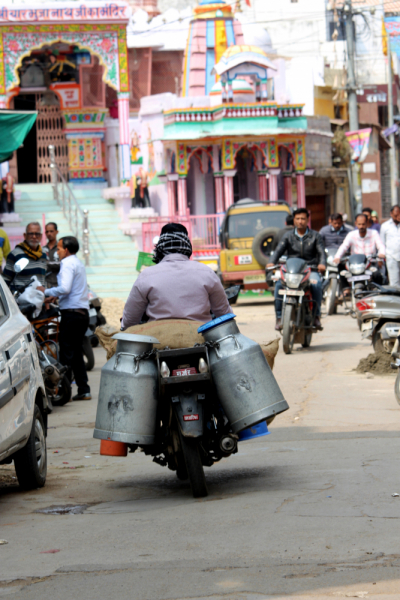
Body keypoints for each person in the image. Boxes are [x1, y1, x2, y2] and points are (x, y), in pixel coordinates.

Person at [121, 223, 231, 329]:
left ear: (160, 247)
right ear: (187, 245)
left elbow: (130, 319)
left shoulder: (146, 275)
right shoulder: (206, 272)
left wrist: (125, 328)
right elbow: (224, 313)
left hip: (159, 341)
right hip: (202, 339)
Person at [38, 236, 91, 401]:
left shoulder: (67, 263)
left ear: (66, 250)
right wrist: (55, 297)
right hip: (81, 313)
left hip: (72, 314)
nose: (57, 252)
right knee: (75, 353)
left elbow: (65, 288)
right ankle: (83, 389)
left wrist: (45, 291)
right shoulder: (77, 263)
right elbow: (71, 289)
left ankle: (61, 392)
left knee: (67, 354)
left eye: (59, 249)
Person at [267, 208, 326, 331]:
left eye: (303, 219)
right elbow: (278, 251)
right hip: (291, 271)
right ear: (294, 220)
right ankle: (279, 317)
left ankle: (316, 315)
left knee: (317, 285)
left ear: (307, 220)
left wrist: (322, 264)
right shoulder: (288, 236)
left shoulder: (315, 236)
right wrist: (271, 261)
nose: (300, 221)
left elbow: (321, 252)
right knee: (278, 285)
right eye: (297, 219)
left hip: (310, 269)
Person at [2, 221, 47, 288]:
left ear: (41, 236)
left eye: (37, 234)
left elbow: (43, 279)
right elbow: (6, 280)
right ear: (25, 235)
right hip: (19, 298)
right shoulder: (15, 254)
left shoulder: (43, 254)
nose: (34, 237)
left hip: (39, 297)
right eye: (31, 234)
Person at [380, 205, 400, 286]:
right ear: (391, 214)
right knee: (394, 282)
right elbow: (382, 242)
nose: (398, 217)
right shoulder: (385, 226)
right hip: (391, 257)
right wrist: (381, 257)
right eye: (396, 215)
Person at [43, 221, 60, 288]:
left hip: (59, 284)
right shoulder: (42, 249)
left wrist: (47, 264)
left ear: (57, 232)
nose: (49, 233)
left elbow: (63, 264)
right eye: (47, 232)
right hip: (46, 285)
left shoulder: (61, 249)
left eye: (51, 231)